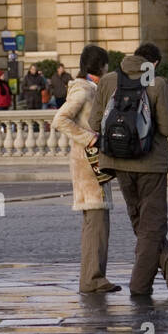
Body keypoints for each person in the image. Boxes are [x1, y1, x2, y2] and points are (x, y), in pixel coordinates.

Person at [89, 41, 168, 299]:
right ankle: (140, 286)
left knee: (140, 220)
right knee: (152, 225)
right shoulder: (158, 82)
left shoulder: (108, 79)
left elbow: (94, 121)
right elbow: (167, 128)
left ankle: (165, 259)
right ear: (154, 64)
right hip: (151, 164)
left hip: (118, 162)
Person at [51, 44, 120, 294]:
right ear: (100, 65)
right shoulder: (83, 90)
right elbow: (60, 120)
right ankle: (92, 278)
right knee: (96, 224)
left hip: (90, 164)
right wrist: (90, 138)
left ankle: (94, 277)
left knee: (96, 222)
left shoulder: (88, 87)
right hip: (89, 165)